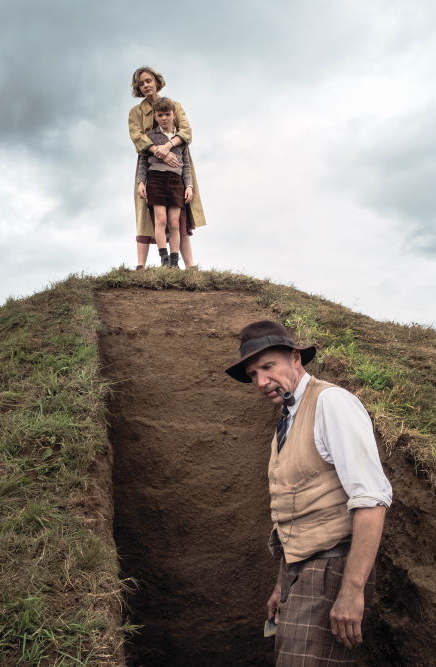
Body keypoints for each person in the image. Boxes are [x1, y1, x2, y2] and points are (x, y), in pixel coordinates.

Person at [224, 320, 392, 666]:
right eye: (254, 374)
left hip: (333, 570)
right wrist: (283, 585)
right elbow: (299, 510)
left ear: (296, 358)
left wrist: (351, 590)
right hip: (303, 572)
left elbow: (371, 500)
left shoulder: (331, 403)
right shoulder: (288, 418)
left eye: (268, 367)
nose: (261, 382)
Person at [128, 66, 206, 269]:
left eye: (148, 80)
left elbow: (186, 131)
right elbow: (137, 136)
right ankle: (141, 266)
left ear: (156, 81)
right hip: (150, 165)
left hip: (177, 162)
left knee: (178, 218)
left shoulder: (175, 106)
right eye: (141, 83)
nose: (145, 85)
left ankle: (188, 266)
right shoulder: (136, 112)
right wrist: (156, 150)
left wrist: (168, 146)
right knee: (148, 215)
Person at [136, 98, 193, 267]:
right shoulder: (150, 136)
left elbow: (187, 164)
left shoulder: (180, 138)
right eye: (160, 115)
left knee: (174, 222)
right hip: (155, 179)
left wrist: (189, 185)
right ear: (155, 116)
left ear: (173, 115)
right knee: (160, 220)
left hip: (176, 181)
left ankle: (175, 261)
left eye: (167, 114)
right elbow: (143, 161)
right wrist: (141, 182)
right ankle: (164, 259)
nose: (164, 118)